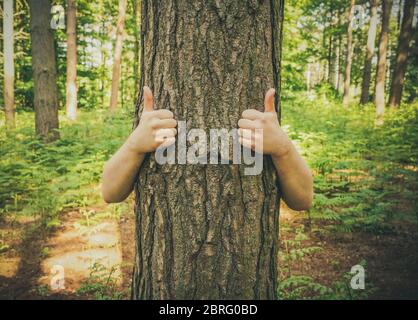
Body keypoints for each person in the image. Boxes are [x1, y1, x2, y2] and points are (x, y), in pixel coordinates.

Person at [102, 86, 313, 211]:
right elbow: (111, 193)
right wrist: (133, 147)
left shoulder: (269, 131)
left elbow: (302, 200)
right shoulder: (148, 128)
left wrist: (283, 149)